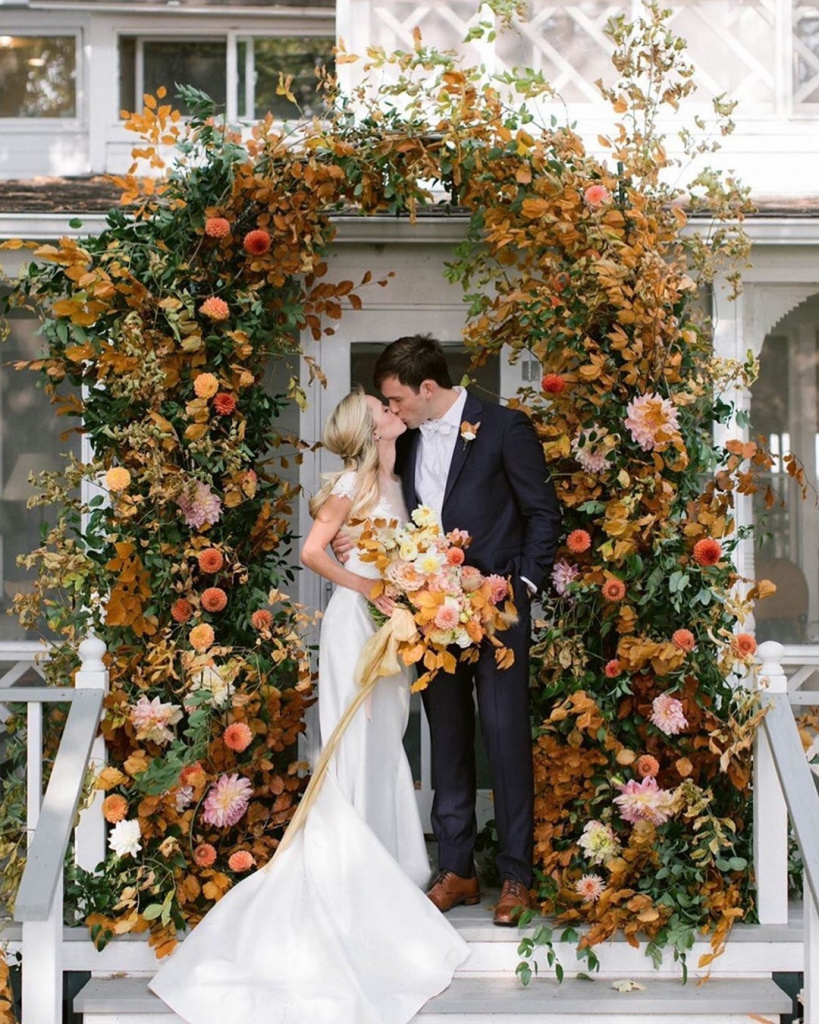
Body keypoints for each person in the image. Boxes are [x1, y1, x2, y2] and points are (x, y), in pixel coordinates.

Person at [149, 388, 469, 1024]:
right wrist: (369, 585)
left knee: (387, 739)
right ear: (367, 423)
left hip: (388, 628)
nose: (393, 410)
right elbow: (313, 552)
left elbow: (402, 543)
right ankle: (352, 866)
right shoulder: (352, 480)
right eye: (384, 407)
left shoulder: (391, 477)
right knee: (358, 737)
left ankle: (388, 856)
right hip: (357, 622)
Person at [335, 335, 561, 926]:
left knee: (505, 737)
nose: (393, 410)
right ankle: (457, 869)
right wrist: (352, 539)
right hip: (428, 615)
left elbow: (543, 513)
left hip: (497, 612)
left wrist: (523, 587)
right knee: (448, 738)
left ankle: (515, 875)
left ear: (427, 389)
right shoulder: (405, 443)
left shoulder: (505, 427)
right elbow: (381, 506)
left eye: (396, 399)